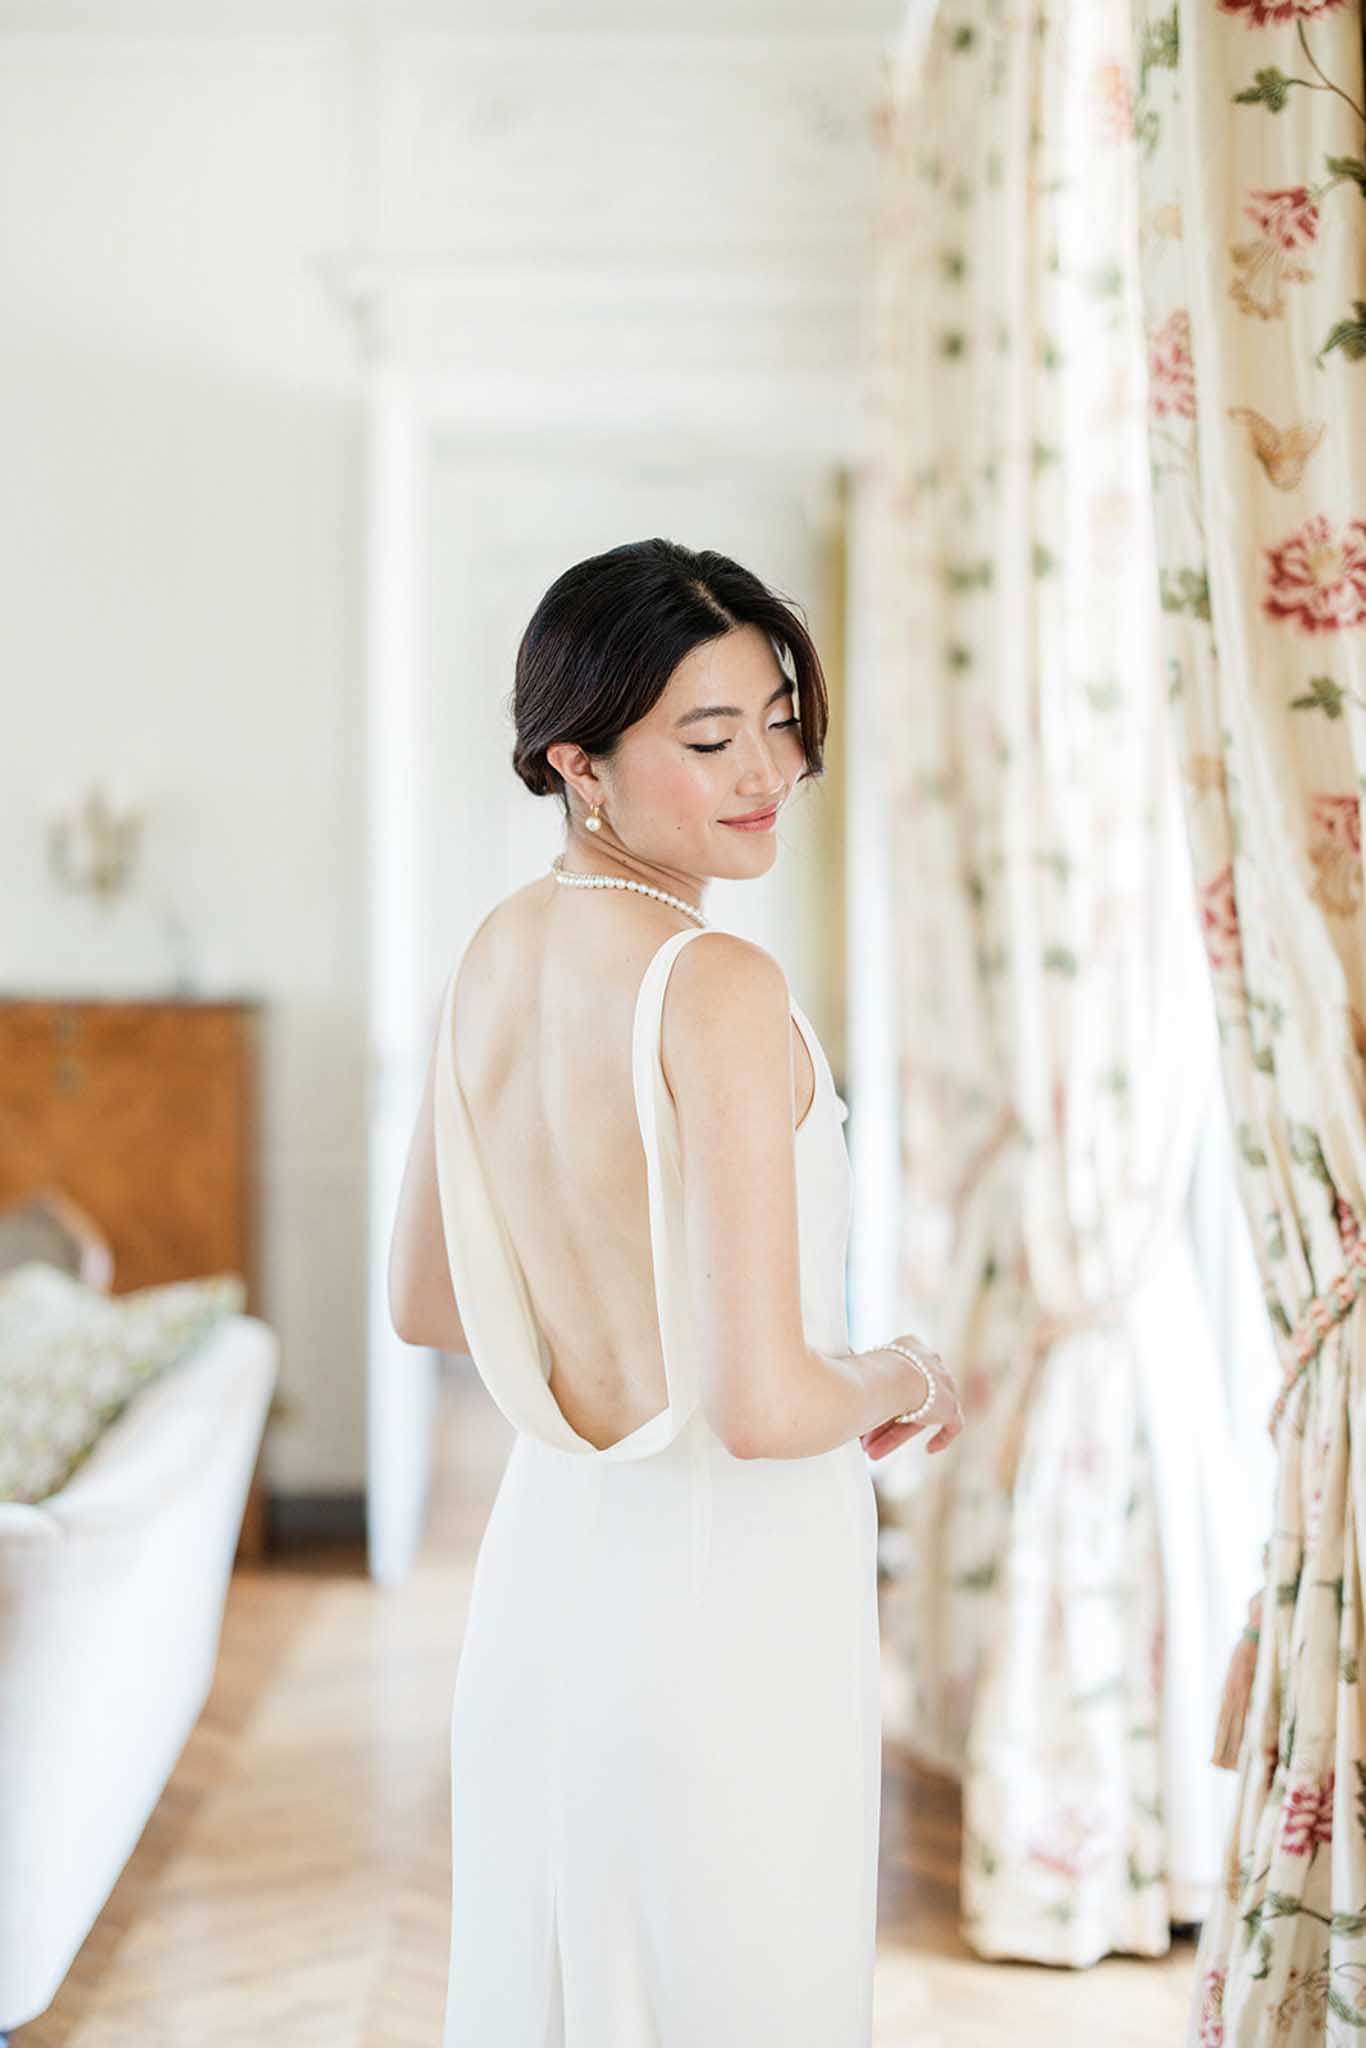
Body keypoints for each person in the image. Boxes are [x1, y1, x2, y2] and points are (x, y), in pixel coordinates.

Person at [387, 537, 965, 2047]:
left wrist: (610, 1332)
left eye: (777, 718)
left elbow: (429, 1302)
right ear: (576, 762)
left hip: (544, 1591)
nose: (764, 768)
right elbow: (767, 1409)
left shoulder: (491, 960)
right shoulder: (714, 984)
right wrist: (906, 1373)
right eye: (706, 739)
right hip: (728, 1605)